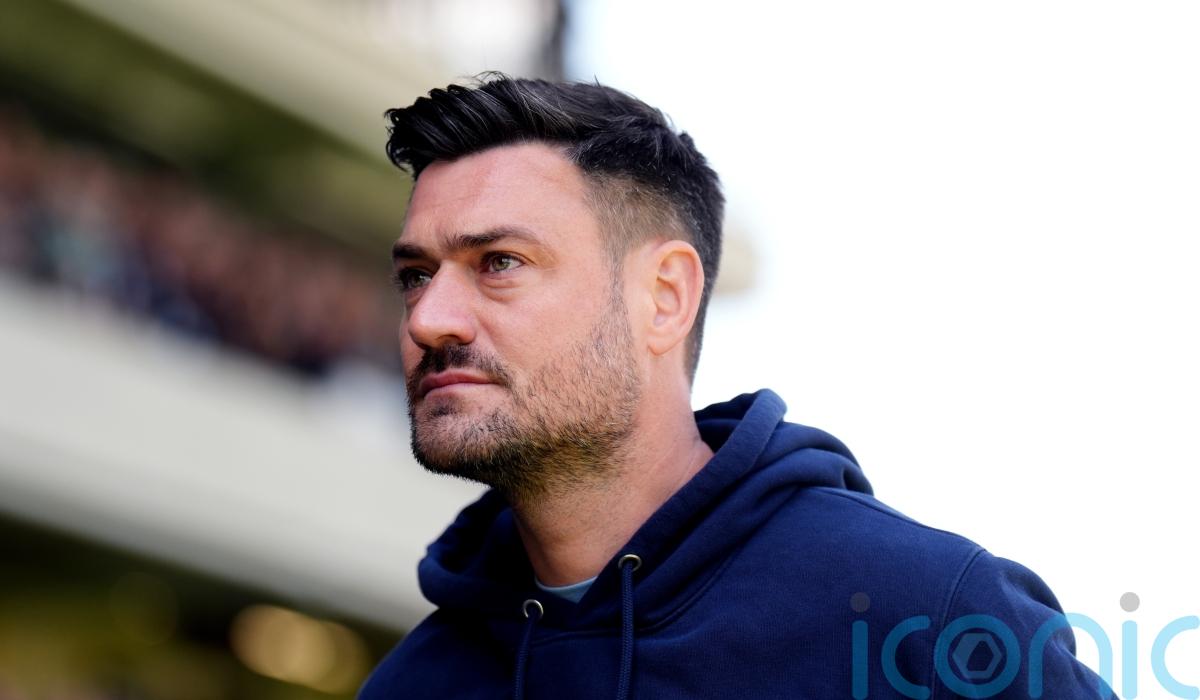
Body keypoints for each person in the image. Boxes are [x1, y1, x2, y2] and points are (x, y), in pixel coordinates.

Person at [359, 74, 1114, 699]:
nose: (428, 318)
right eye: (415, 276)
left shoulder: (922, 616)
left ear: (665, 298)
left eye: (498, 263)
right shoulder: (414, 684)